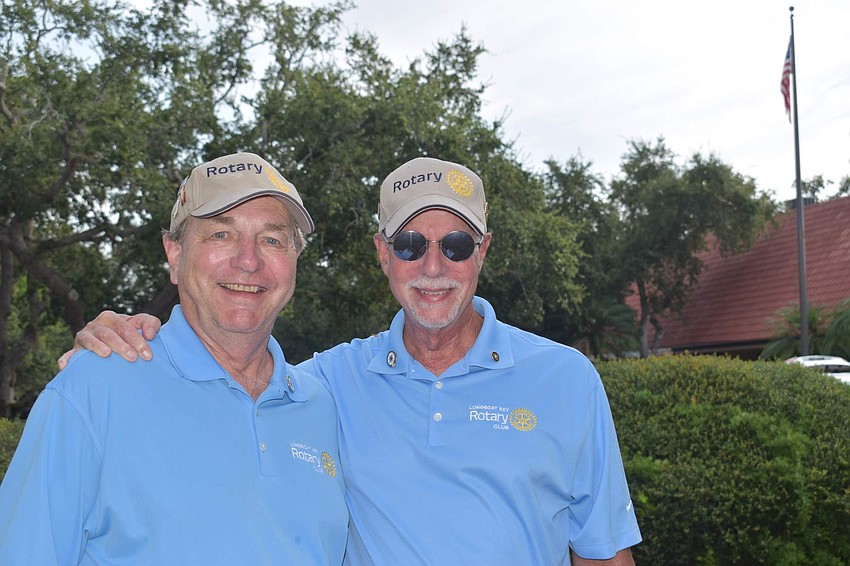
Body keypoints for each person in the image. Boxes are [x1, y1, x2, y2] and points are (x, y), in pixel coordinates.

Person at [62, 157, 642, 565]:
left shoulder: (566, 379)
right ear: (382, 253)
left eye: (456, 245)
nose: (433, 266)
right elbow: (233, 376)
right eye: (410, 244)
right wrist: (126, 339)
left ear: (483, 250)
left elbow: (602, 551)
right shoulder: (324, 385)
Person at [0, 153, 349, 565]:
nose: (249, 260)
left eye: (272, 240)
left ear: (295, 263)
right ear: (174, 254)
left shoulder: (320, 406)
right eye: (221, 234)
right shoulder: (93, 388)